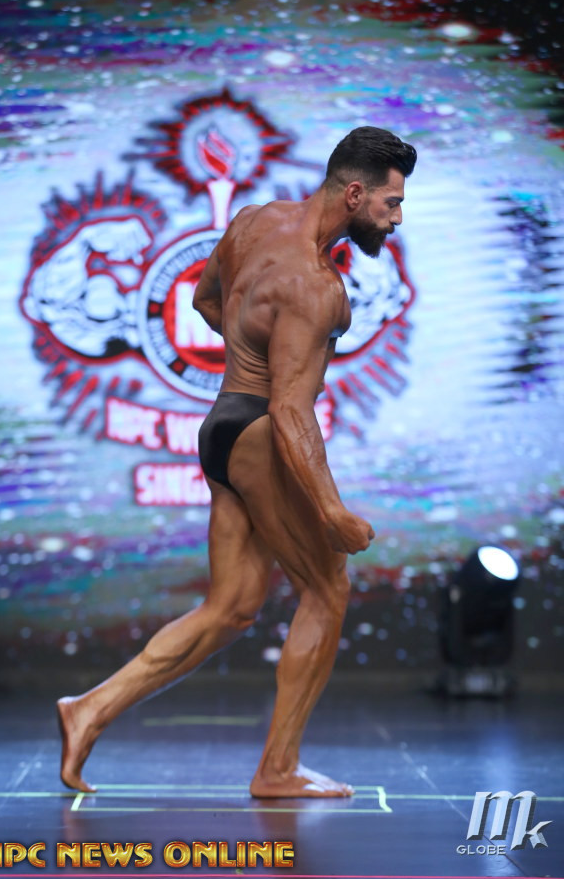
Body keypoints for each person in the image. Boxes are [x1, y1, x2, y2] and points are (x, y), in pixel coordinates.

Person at [57, 126, 417, 798]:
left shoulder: (254, 221)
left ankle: (89, 710)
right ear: (355, 193)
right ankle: (278, 770)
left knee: (230, 607)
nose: (397, 219)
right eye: (391, 203)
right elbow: (290, 411)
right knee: (327, 590)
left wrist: (251, 349)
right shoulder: (317, 287)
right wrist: (331, 510)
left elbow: (204, 299)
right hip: (260, 435)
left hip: (222, 425)